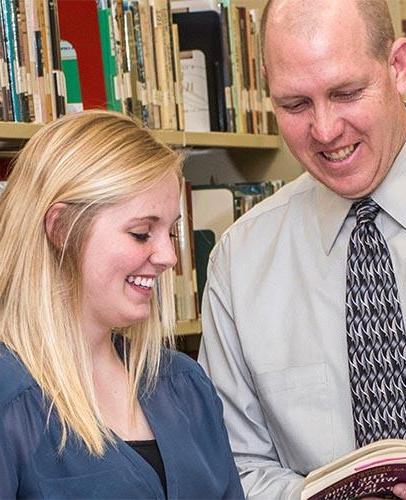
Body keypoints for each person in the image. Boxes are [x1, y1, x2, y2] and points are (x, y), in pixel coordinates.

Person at [198, 0, 406, 498]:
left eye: (346, 93)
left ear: (399, 66)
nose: (324, 130)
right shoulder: (240, 259)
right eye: (294, 105)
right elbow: (235, 463)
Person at [0, 110, 244, 499]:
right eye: (141, 233)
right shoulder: (11, 401)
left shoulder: (185, 386)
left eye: (172, 231)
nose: (168, 256)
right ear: (61, 228)